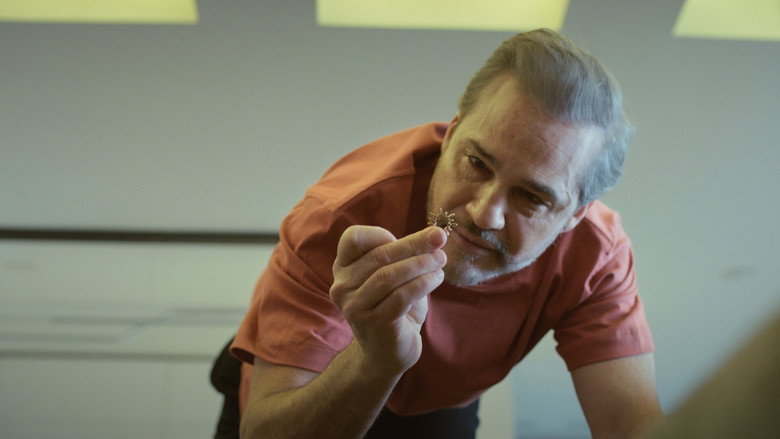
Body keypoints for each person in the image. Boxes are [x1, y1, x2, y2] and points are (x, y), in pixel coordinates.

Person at [231, 28, 663, 438]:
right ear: (451, 135)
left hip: (439, 403)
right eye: (477, 164)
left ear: (575, 215)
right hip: (312, 381)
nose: (484, 214)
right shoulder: (342, 215)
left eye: (531, 197)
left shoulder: (596, 254)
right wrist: (375, 361)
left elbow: (627, 427)